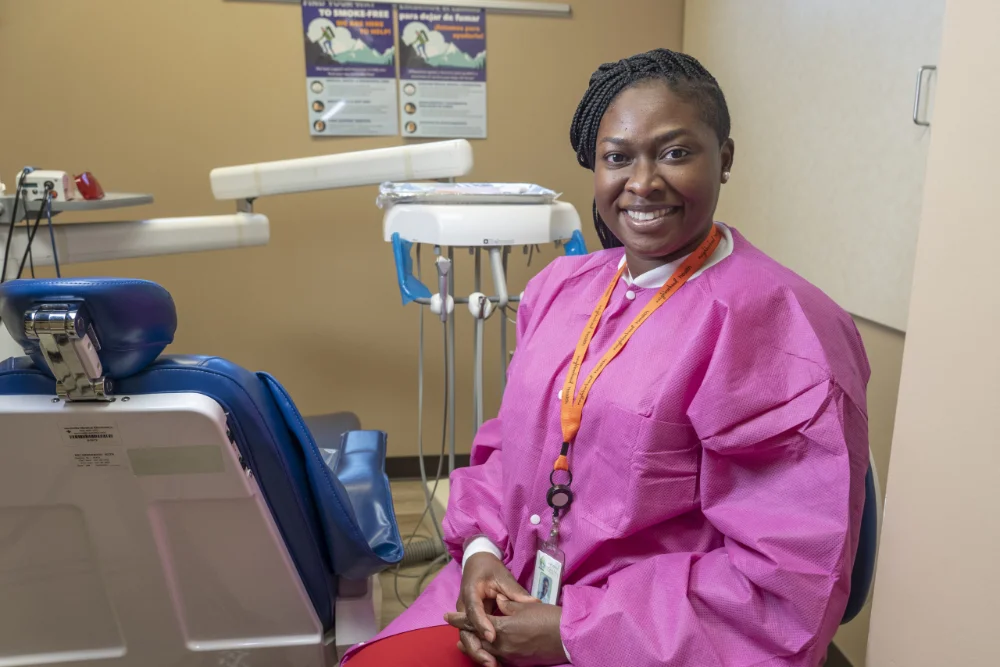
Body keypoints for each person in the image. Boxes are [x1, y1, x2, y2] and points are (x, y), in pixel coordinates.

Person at [344, 48, 870, 667]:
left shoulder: (783, 332)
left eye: (675, 153)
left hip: (655, 637)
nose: (642, 183)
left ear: (724, 159)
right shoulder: (561, 290)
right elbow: (509, 447)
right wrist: (483, 552)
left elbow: (786, 585)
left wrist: (570, 633)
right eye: (617, 158)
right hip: (507, 589)